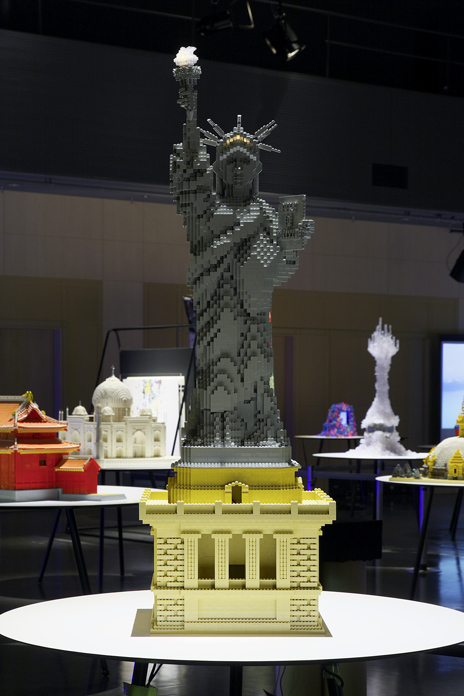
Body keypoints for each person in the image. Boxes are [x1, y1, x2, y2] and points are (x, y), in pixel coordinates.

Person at [171, 47, 313, 448]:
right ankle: (217, 432)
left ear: (256, 168)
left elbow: (279, 270)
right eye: (229, 161)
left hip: (252, 310)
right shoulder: (206, 209)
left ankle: (256, 430)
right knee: (218, 367)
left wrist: (291, 249)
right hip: (217, 307)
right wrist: (190, 106)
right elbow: (190, 168)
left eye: (244, 162)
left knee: (254, 369)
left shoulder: (266, 213)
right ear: (218, 167)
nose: (236, 168)